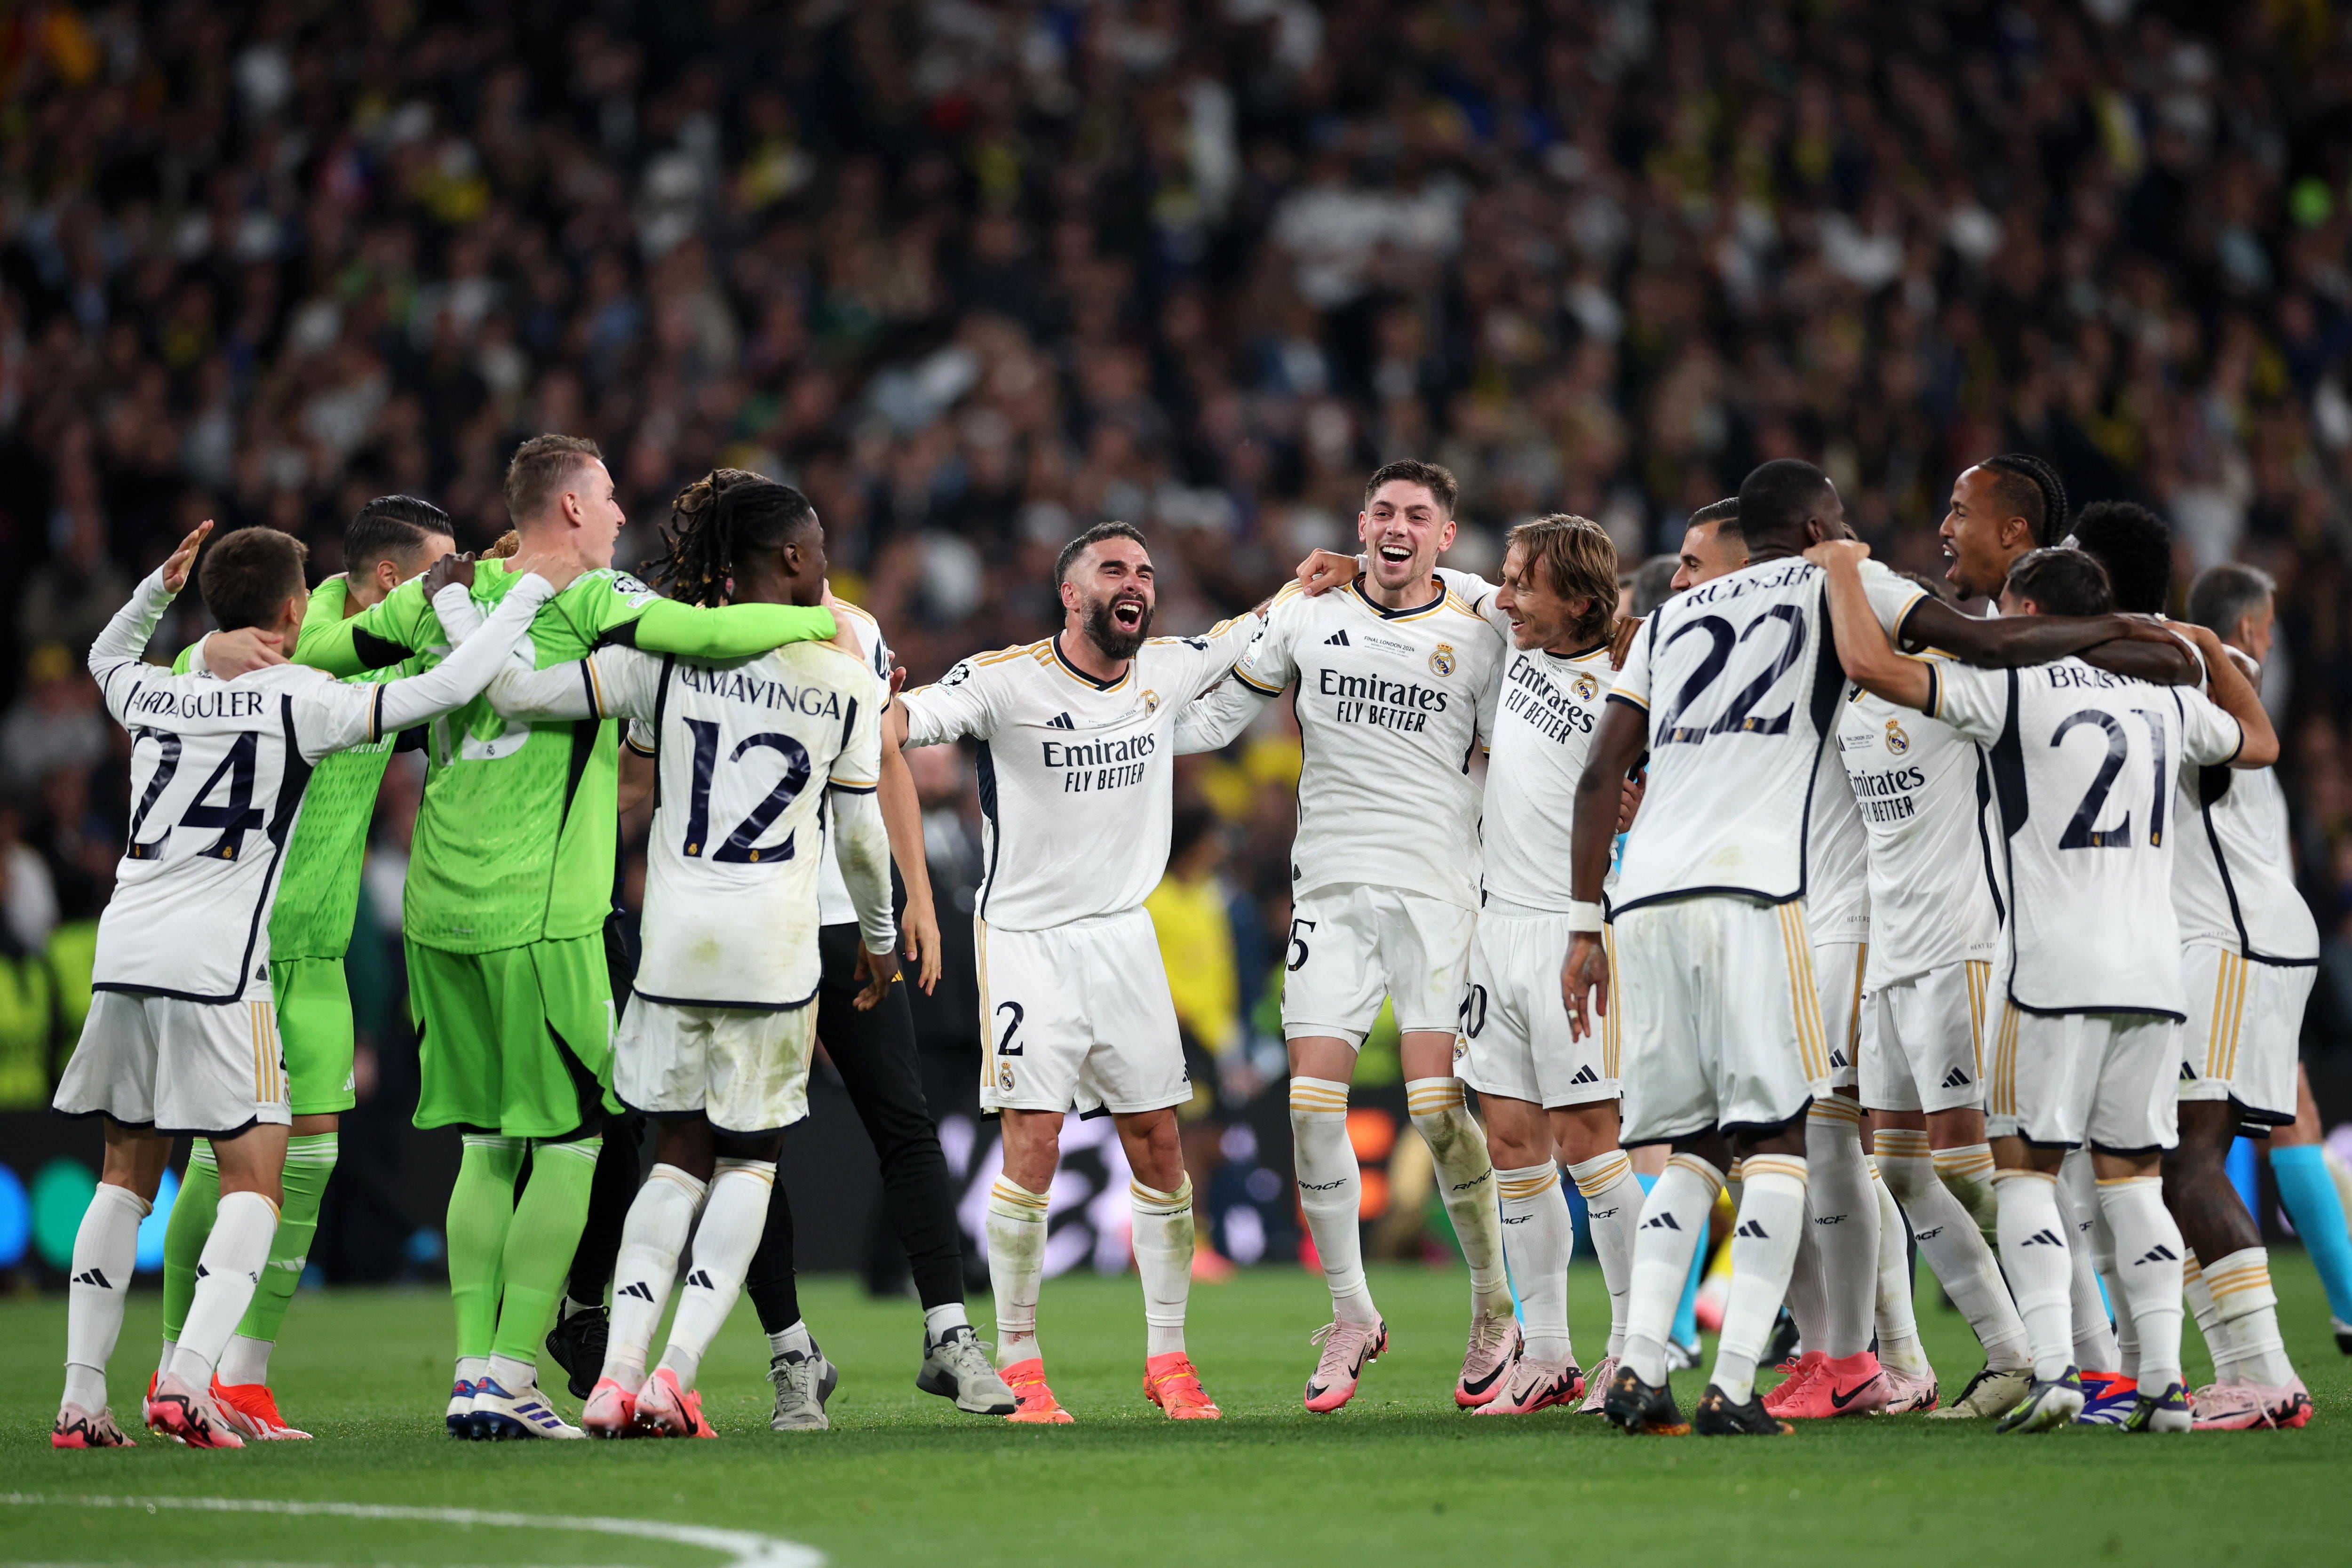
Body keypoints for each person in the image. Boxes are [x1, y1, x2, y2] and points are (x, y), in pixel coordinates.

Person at [206, 434, 841, 1437]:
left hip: (437, 912)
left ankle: (471, 1372)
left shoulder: (438, 592)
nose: (626, 515)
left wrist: (215, 647)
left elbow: (316, 649)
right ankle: (507, 1368)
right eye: (612, 498)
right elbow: (708, 638)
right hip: (539, 919)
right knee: (578, 1141)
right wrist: (834, 618)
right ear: (575, 509)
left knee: (488, 1146)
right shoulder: (589, 599)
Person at [1566, 458, 2190, 1438]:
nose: (1854, 530)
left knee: (1712, 1145)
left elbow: (1605, 761)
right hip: (1788, 905)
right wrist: (2121, 631)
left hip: (1699, 901)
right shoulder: (1843, 596)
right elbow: (1964, 648)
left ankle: (1652, 1364)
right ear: (1818, 524)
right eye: (1843, 518)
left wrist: (1579, 919)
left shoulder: (1675, 626)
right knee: (1807, 1144)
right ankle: (1786, 1372)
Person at [51, 520, 557, 1449]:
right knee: (258, 1179)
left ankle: (83, 1401)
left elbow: (104, 654)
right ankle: (191, 1381)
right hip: (220, 966)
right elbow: (447, 685)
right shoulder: (304, 697)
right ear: (295, 608)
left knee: (124, 1176)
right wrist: (524, 595)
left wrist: (163, 604)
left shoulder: (159, 691)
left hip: (123, 949)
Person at [453, 470, 903, 1439]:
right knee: (751, 1159)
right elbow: (863, 844)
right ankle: (674, 1376)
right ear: (792, 559)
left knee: (675, 1155)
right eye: (819, 541)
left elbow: (515, 691)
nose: (828, 558)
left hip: (669, 947)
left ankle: (616, 1374)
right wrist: (879, 941)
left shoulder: (659, 658)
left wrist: (473, 603)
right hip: (773, 950)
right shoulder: (842, 673)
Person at [1813, 539, 2277, 1433]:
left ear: (2025, 615)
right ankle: (2164, 1388)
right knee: (2134, 1181)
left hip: (2049, 967)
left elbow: (1872, 662)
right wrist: (2206, 649)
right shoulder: (2163, 698)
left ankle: (2058, 1371)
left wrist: (1840, 566)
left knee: (2022, 1171)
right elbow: (2258, 741)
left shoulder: (2012, 687)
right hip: (2151, 972)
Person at [889, 519, 1261, 1423]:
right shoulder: (1006, 680)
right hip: (1026, 938)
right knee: (1035, 1142)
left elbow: (1257, 640)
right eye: (1112, 569)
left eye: (1144, 569)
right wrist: (879, 700)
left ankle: (1168, 1360)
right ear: (1071, 593)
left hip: (1125, 941)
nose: (1134, 581)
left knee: (1162, 1146)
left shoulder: (1163, 673)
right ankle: (1020, 1361)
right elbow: (908, 723)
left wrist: (1317, 587)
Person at [1185, 460, 1513, 1414]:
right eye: (1382, 511)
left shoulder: (1481, 624)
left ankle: (1493, 1306)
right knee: (1310, 1103)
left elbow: (1508, 756)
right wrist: (1120, 726)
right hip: (1328, 895)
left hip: (1440, 900)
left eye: (1418, 514)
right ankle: (1351, 1311)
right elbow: (1215, 715)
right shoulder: (1308, 611)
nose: (1396, 525)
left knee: (1439, 1112)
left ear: (1446, 535)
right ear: (1359, 522)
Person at [154, 496, 457, 1441]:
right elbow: (175, 679)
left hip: (320, 948)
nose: (458, 587)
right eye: (443, 571)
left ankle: (245, 1374)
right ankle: (177, 1365)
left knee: (314, 1157)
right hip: (235, 943)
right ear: (395, 582)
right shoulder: (290, 633)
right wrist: (201, 653)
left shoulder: (401, 649)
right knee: (225, 1159)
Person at [2073, 526, 2316, 1431]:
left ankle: (2268, 1376)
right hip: (2205, 931)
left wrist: (2206, 646)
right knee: (2152, 1160)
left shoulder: (2160, 658)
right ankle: (2229, 1370)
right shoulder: (2136, 656)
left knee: (2187, 1158)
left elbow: (2258, 745)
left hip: (2226, 931)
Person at [1447, 516, 1650, 1416]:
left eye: (1524, 582)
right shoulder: (1513, 635)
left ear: (1578, 598)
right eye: (1504, 578)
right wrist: (1351, 564)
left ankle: (1636, 1349)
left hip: (1581, 935)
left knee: (1589, 1141)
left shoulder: (1632, 677)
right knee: (1513, 1145)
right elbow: (1441, 587)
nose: (1505, 595)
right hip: (1498, 930)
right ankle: (1550, 1353)